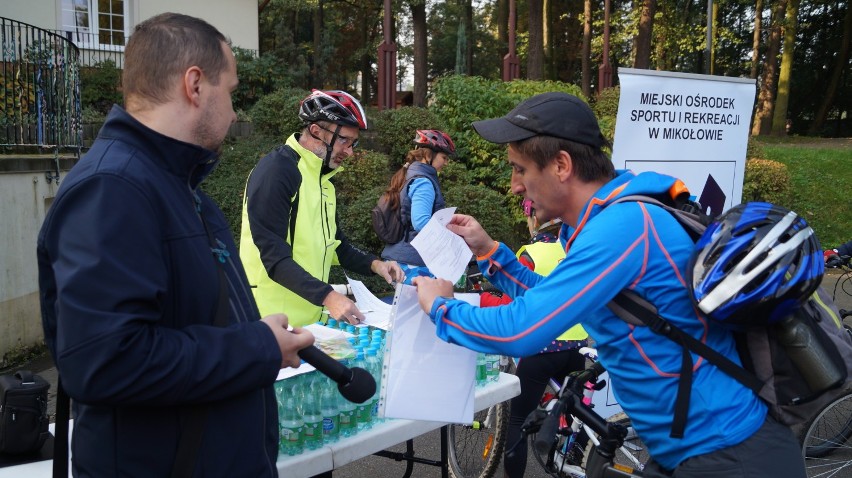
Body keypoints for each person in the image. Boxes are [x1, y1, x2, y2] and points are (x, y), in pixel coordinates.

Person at [413, 92, 807, 477]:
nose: (516, 185)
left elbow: (523, 330)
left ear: (561, 166)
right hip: (692, 449)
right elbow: (551, 302)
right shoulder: (604, 222)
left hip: (726, 453)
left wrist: (441, 308)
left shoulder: (623, 228)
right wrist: (491, 253)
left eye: (520, 169)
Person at [37, 13, 314, 477]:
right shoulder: (114, 188)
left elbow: (187, 316)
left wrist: (256, 331)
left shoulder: (175, 183)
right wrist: (256, 347)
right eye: (231, 91)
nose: (233, 111)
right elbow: (106, 361)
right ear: (195, 85)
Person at [240, 89, 404, 327]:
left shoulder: (323, 181)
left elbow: (337, 247)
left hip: (309, 323)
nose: (350, 151)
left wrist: (377, 265)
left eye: (353, 142)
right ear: (316, 132)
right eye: (344, 140)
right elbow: (273, 257)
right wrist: (328, 296)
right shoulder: (276, 172)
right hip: (268, 321)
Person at [494, 199, 590, 478]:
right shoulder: (573, 248)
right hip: (577, 346)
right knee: (574, 416)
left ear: (534, 218)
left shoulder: (530, 254)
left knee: (518, 420)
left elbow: (518, 299)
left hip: (543, 347)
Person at [380, 129, 456, 284]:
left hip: (400, 258)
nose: (446, 163)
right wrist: (450, 237)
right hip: (413, 262)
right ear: (428, 154)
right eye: (444, 157)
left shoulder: (409, 174)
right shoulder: (424, 182)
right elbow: (420, 222)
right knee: (425, 307)